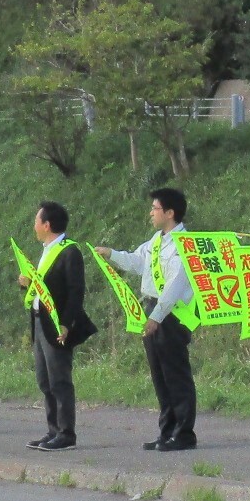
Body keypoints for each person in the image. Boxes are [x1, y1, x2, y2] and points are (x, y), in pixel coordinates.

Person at [97, 188, 199, 452]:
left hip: (172, 315)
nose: (151, 213)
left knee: (176, 374)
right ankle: (167, 431)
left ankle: (184, 433)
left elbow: (176, 286)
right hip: (152, 310)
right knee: (159, 374)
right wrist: (111, 254)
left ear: (169, 213)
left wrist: (156, 317)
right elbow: (136, 262)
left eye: (155, 208)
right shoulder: (156, 241)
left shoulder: (184, 244)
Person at [20, 200, 95, 451]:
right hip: (40, 321)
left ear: (47, 224)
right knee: (44, 379)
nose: (34, 225)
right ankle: (52, 430)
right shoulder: (47, 249)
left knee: (59, 379)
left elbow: (76, 292)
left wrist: (66, 323)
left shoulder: (69, 251)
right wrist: (26, 283)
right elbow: (44, 287)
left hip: (56, 324)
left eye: (36, 221)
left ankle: (66, 433)